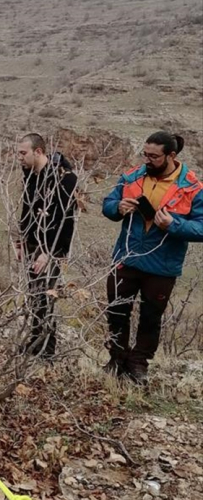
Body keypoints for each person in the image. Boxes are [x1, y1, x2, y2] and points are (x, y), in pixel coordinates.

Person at [102, 132, 203, 383]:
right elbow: (108, 203)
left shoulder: (192, 187)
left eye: (154, 156)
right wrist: (117, 208)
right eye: (145, 154)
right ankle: (117, 359)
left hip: (162, 265)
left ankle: (138, 363)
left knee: (150, 317)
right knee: (116, 312)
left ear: (171, 155)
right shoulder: (133, 176)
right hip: (126, 257)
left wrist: (173, 224)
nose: (147, 160)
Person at [16, 133, 79, 359]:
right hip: (33, 243)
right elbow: (27, 207)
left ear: (38, 151)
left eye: (23, 153)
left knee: (45, 297)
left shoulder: (64, 178)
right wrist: (21, 240)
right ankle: (35, 342)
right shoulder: (30, 174)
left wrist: (48, 253)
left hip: (50, 248)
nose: (19, 158)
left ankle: (46, 350)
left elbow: (64, 219)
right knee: (34, 296)